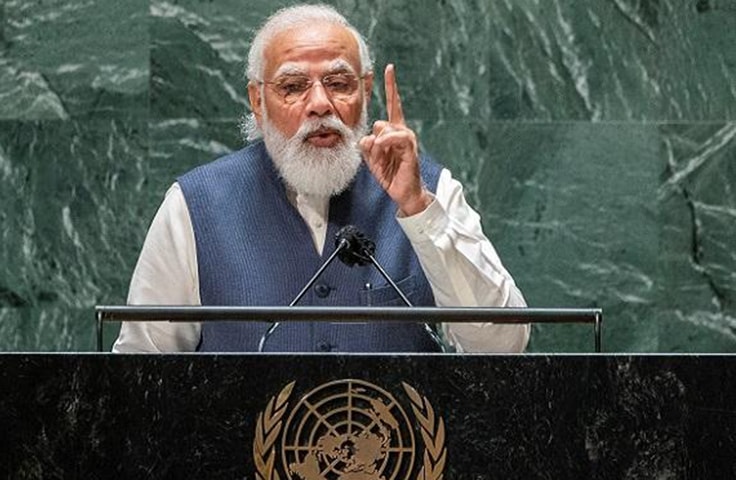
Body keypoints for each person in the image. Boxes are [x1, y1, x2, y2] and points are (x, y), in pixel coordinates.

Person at [113, 4, 529, 353]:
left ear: (366, 91)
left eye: (338, 83)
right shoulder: (194, 204)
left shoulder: (429, 189)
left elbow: (503, 343)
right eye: (293, 86)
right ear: (258, 101)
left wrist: (419, 211)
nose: (319, 104)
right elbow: (142, 370)